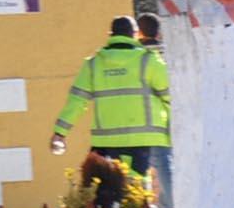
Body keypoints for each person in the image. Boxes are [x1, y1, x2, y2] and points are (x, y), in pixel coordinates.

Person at [50, 15, 171, 188]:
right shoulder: (149, 61)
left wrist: (60, 133)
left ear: (111, 34)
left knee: (103, 189)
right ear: (136, 34)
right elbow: (169, 96)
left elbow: (77, 101)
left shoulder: (93, 65)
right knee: (137, 191)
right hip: (143, 138)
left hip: (106, 141)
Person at [133, 12, 176, 208]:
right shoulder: (168, 53)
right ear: (159, 33)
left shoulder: (136, 56)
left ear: (138, 33)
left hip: (139, 117)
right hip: (166, 115)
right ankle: (169, 207)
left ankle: (141, 206)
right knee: (164, 162)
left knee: (141, 166)